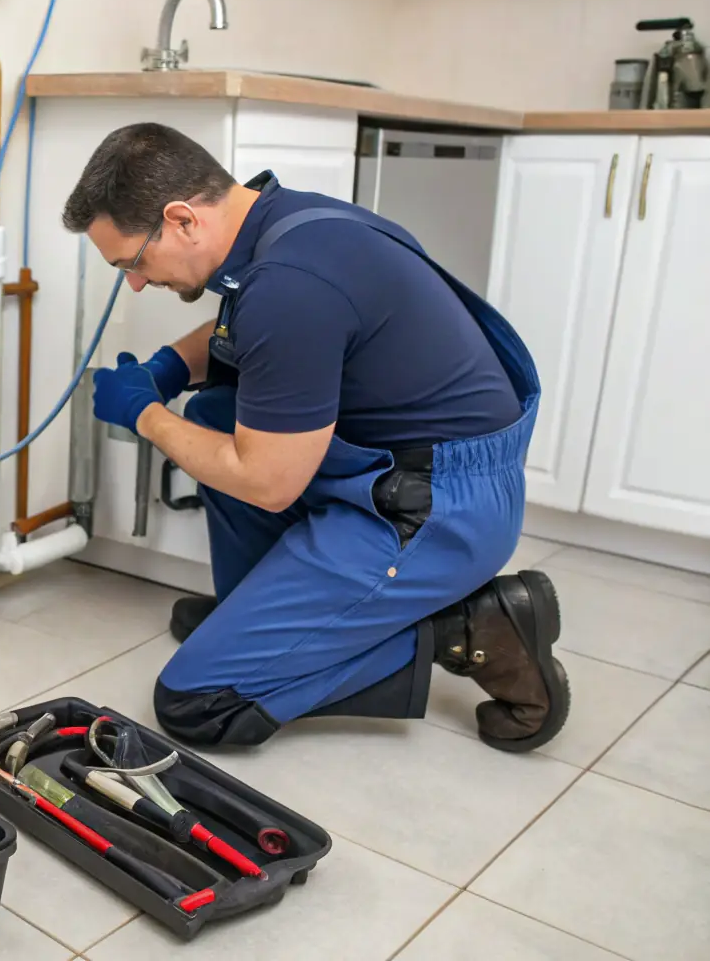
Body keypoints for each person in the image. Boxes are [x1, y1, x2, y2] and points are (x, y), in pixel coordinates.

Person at [61, 122, 570, 753]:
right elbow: (252, 336)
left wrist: (146, 415)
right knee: (221, 412)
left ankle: (461, 625)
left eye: (132, 263)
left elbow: (268, 482)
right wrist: (168, 365)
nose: (135, 283)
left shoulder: (291, 284)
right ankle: (260, 612)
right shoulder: (287, 221)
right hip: (407, 470)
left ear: (183, 219)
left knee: (198, 703)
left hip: (436, 510)